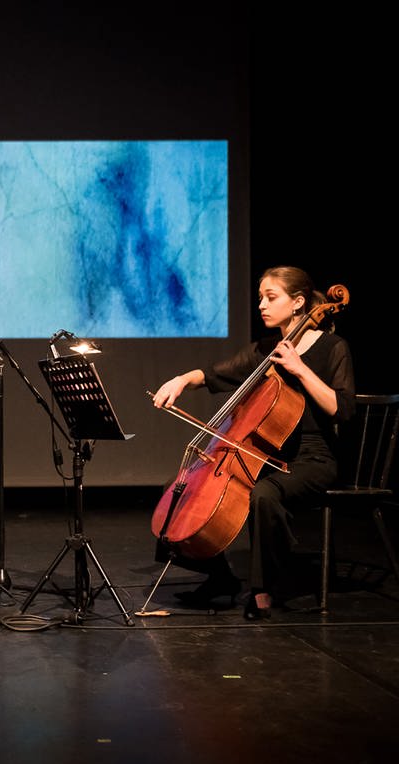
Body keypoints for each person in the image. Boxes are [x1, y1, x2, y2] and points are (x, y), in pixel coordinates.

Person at [151, 265, 356, 619]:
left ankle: (263, 590)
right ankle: (220, 578)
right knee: (182, 487)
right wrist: (182, 380)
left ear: (298, 303)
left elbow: (342, 409)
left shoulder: (333, 348)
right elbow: (215, 373)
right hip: (268, 454)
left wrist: (300, 368)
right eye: (260, 297)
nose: (261, 304)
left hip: (313, 457)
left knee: (264, 494)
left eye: (270, 297)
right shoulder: (265, 348)